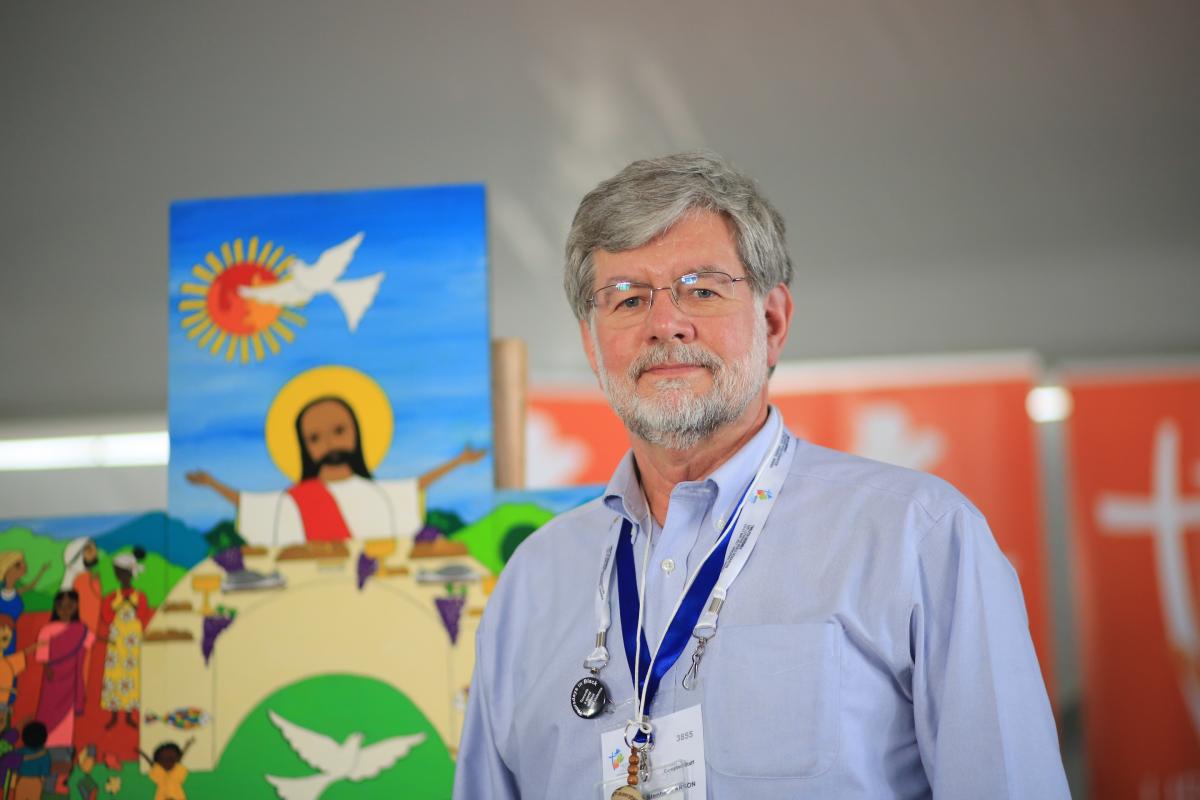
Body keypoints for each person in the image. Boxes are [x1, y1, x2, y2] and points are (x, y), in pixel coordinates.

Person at [455, 152, 1070, 798]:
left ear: (772, 322)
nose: (665, 324)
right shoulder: (531, 585)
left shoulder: (919, 539)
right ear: (590, 341)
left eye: (701, 289)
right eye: (628, 298)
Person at [186, 395, 485, 546]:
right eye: (315, 438)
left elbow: (415, 487)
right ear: (305, 447)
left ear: (355, 433)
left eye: (339, 430)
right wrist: (212, 483)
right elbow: (252, 506)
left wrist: (458, 462)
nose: (329, 444)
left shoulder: (377, 495)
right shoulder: (295, 499)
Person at [34, 590, 93, 776]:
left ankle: (63, 758)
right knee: (48, 715)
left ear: (76, 607)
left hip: (71, 682)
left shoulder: (82, 629)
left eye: (70, 606)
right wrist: (49, 668)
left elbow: (87, 646)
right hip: (53, 683)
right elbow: (42, 656)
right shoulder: (47, 630)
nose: (66, 610)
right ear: (55, 608)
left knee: (67, 722)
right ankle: (44, 754)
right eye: (61, 607)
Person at [98, 549, 152, 730]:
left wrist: (134, 604)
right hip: (117, 639)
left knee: (131, 676)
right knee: (114, 675)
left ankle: (129, 714)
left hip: (133, 640)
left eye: (124, 573)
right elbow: (106, 617)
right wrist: (119, 604)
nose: (122, 577)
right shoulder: (112, 596)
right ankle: (114, 714)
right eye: (119, 574)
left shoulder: (140, 595)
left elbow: (144, 615)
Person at [0, 552, 49, 656]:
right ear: (7, 569)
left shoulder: (16, 592)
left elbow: (31, 586)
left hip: (11, 635)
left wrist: (42, 571)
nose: (23, 567)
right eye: (18, 565)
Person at [60, 538, 103, 637]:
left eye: (95, 549)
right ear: (79, 556)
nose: (95, 553)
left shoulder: (89, 578)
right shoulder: (80, 579)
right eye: (90, 550)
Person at [11, 721, 50, 800]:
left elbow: (14, 769)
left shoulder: (19, 752)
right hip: (36, 782)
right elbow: (44, 774)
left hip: (22, 781)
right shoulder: (45, 754)